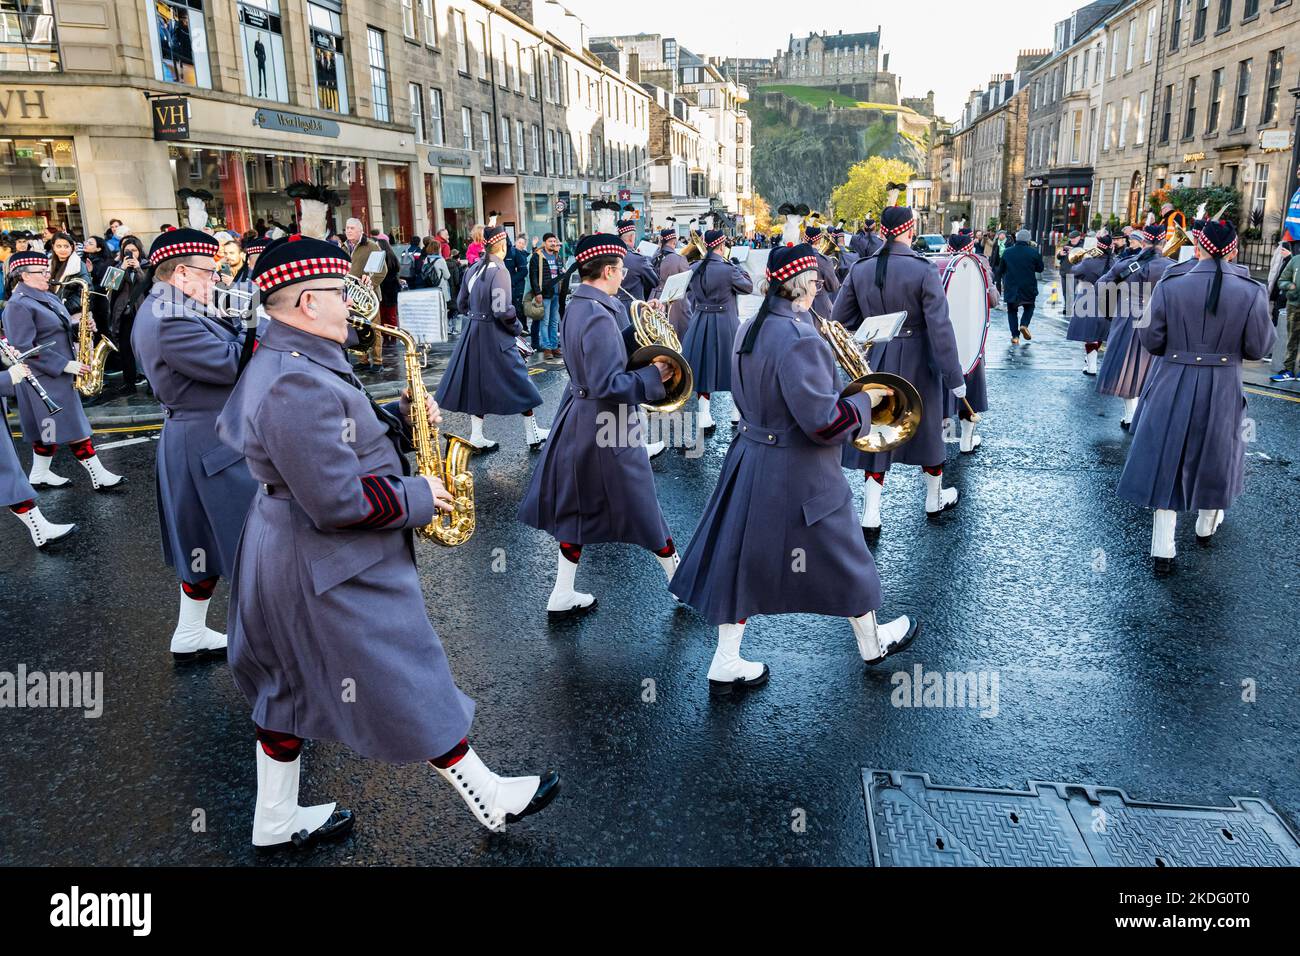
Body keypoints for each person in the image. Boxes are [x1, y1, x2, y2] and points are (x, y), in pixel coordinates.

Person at [216, 235, 559, 848]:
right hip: (322, 565)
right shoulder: (293, 379)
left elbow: (333, 439)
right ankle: (492, 798)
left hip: (297, 557)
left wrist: (399, 419)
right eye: (338, 291)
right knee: (407, 674)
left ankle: (273, 821)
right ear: (303, 304)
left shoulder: (296, 357)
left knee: (286, 691)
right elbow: (337, 500)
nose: (353, 301)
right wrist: (421, 494)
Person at [669, 244, 918, 694]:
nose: (820, 288)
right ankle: (872, 642)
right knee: (847, 556)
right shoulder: (800, 338)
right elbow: (826, 424)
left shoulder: (749, 326)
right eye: (817, 281)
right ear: (802, 285)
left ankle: (726, 660)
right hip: (801, 471)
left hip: (750, 459)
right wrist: (868, 400)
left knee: (739, 561)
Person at [517, 233, 678, 617]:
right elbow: (611, 382)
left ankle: (561, 593)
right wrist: (655, 376)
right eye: (621, 269)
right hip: (608, 421)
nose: (624, 275)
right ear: (608, 270)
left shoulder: (582, 305)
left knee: (577, 507)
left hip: (580, 416)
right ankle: (681, 584)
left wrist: (641, 325)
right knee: (643, 504)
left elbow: (603, 352)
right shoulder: (597, 313)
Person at [1116, 219, 1274, 573]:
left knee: (1166, 457)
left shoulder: (1172, 283)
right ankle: (1205, 525)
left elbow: (1151, 340)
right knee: (1217, 453)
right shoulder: (1252, 290)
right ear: (1233, 250)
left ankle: (1163, 548)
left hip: (1173, 377)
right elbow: (1257, 347)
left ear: (1198, 248)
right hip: (1223, 383)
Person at [132, 229, 257, 662]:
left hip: (205, 437)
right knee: (252, 544)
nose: (217, 279)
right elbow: (232, 365)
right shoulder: (170, 317)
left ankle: (189, 633)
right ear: (182, 273)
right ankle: (269, 646)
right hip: (207, 441)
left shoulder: (176, 306)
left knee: (204, 542)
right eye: (210, 271)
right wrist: (273, 330)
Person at [832, 206, 966, 531]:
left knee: (879, 432)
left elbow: (840, 318)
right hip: (921, 360)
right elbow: (941, 327)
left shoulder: (861, 268)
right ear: (911, 229)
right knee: (930, 431)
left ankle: (871, 513)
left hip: (877, 358)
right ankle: (934, 499)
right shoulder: (924, 269)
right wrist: (955, 376)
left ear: (881, 230)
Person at [2, 251, 125, 493]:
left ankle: (39, 473)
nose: (49, 275)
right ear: (24, 276)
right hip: (43, 377)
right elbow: (24, 347)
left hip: (56, 375)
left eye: (47, 270)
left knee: (48, 429)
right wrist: (64, 364)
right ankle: (99, 475)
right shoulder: (17, 306)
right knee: (72, 427)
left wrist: (80, 325)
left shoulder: (44, 296)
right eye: (42, 272)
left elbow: (55, 327)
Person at [435, 225, 548, 450]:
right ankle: (532, 433)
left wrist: (476, 316)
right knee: (519, 379)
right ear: (503, 246)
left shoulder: (473, 268)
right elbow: (501, 309)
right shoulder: (500, 271)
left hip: (473, 333)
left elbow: (461, 304)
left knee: (477, 383)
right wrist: (516, 327)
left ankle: (477, 435)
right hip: (496, 335)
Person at [1097, 223, 1173, 429]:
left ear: (1144, 242)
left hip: (1127, 318)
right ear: (1164, 242)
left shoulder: (1127, 264)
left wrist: (1110, 310)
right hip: (1159, 321)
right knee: (1152, 369)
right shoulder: (1173, 267)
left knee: (1127, 369)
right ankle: (1144, 414)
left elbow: (1101, 286)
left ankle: (1130, 414)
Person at [1, 356, 76, 547]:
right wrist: (6, 377)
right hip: (43, 378)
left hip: (45, 379)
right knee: (8, 472)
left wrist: (4, 361)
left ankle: (41, 527)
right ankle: (41, 528)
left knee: (9, 472)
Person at [680, 229, 753, 429]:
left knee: (703, 367)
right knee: (733, 367)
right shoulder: (728, 269)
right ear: (721, 246)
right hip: (725, 323)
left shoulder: (694, 267)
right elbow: (748, 287)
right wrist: (738, 266)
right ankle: (735, 413)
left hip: (700, 320)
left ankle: (704, 414)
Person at [938, 233, 998, 453]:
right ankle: (966, 441)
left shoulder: (936, 263)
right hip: (972, 340)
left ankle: (941, 440)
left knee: (943, 389)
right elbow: (993, 300)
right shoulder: (980, 264)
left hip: (943, 339)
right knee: (970, 390)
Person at [107, 235, 150, 397]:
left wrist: (138, 268)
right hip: (124, 314)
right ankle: (129, 382)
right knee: (125, 349)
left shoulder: (147, 266)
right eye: (127, 251)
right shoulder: (117, 267)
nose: (131, 253)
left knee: (146, 349)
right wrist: (121, 268)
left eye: (134, 250)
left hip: (142, 312)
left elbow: (148, 285)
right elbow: (109, 286)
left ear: (139, 252)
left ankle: (151, 382)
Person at [1065, 234, 1114, 376]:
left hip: (1089, 298)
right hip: (1109, 300)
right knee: (1100, 333)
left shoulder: (1089, 262)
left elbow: (1074, 271)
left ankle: (1091, 365)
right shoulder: (1116, 262)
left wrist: (1082, 259)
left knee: (1090, 334)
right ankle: (1091, 363)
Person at [995, 229, 1043, 345]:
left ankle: (1015, 336)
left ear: (1016, 239)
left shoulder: (1007, 252)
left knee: (1012, 311)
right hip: (1028, 286)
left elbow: (1000, 270)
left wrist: (998, 283)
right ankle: (1024, 324)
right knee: (1029, 307)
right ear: (1028, 240)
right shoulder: (1033, 252)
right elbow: (1040, 268)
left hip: (1011, 286)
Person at [652, 225, 691, 338]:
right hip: (674, 304)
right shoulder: (679, 259)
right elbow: (687, 283)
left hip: (654, 299)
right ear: (674, 242)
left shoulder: (654, 257)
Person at [528, 233, 563, 359]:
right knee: (545, 322)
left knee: (554, 322)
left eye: (554, 241)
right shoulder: (537, 256)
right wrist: (537, 293)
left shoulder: (557, 255)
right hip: (544, 294)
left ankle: (554, 346)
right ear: (544, 242)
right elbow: (533, 276)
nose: (553, 243)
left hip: (556, 293)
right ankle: (547, 347)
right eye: (550, 241)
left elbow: (559, 272)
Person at [1272, 243, 1300, 381]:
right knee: (1291, 340)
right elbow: (1282, 280)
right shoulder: (1296, 260)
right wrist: (1290, 286)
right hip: (1294, 306)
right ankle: (1288, 370)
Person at [505, 233, 531, 334]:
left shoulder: (515, 252)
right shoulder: (497, 254)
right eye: (519, 242)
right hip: (502, 286)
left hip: (516, 286)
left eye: (522, 243)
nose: (520, 244)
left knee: (518, 308)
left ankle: (523, 328)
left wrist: (511, 280)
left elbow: (524, 270)